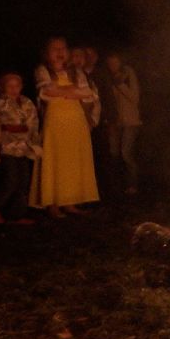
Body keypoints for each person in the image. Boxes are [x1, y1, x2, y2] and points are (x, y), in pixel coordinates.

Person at [31, 37, 100, 217]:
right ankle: (53, 204)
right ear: (47, 53)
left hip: (76, 120)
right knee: (56, 159)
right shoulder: (42, 70)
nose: (60, 52)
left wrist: (66, 91)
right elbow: (47, 91)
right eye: (55, 48)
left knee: (73, 160)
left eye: (63, 48)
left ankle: (70, 202)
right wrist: (71, 92)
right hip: (55, 121)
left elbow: (88, 93)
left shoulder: (76, 72)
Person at [0, 72, 41, 224]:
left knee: (23, 181)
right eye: (10, 86)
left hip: (24, 147)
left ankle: (17, 214)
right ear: (2, 87)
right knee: (11, 180)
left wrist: (35, 144)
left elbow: (33, 124)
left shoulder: (27, 102)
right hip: (7, 147)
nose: (14, 89)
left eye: (17, 85)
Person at [99, 51, 142, 196]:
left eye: (115, 62)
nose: (113, 66)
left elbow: (135, 98)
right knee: (114, 153)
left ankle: (132, 184)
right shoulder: (107, 77)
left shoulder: (128, 74)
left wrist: (120, 84)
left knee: (126, 153)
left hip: (130, 120)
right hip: (114, 122)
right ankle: (116, 184)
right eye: (110, 63)